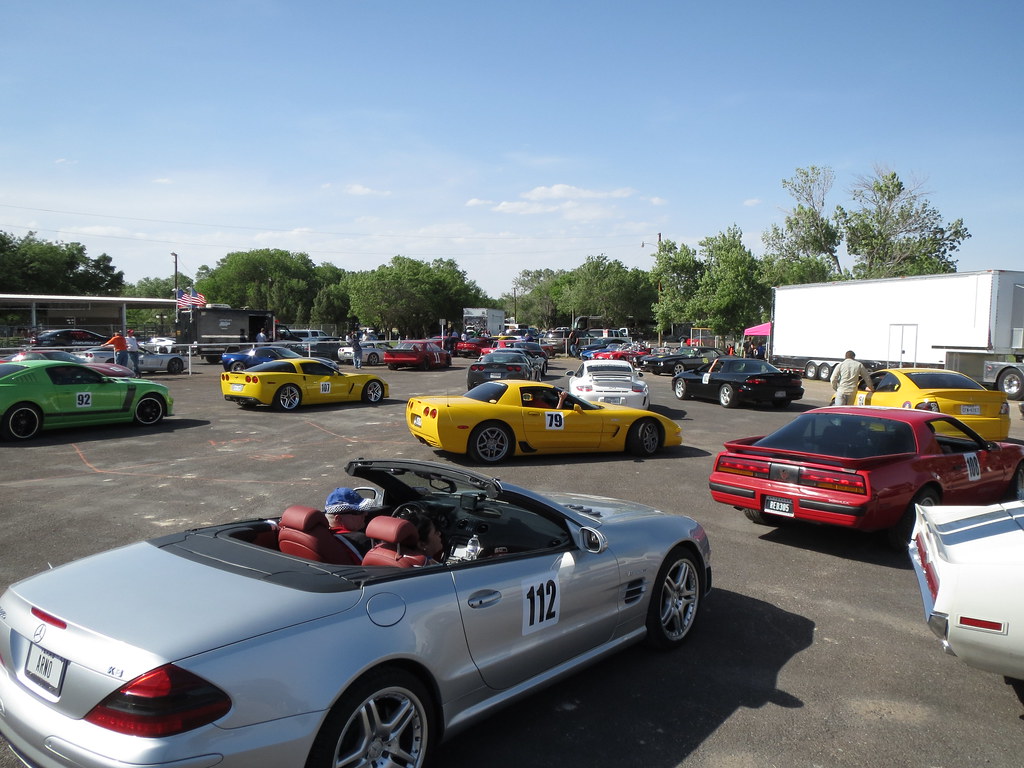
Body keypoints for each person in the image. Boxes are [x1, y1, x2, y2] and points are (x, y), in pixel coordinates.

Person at [324, 487, 374, 557]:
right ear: (338, 519)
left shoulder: (323, 536)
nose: (366, 514)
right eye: (358, 512)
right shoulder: (360, 540)